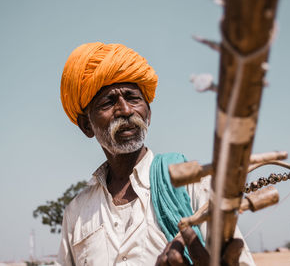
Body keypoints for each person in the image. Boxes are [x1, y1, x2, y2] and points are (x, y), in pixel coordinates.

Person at [57, 42, 255, 266]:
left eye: (133, 98)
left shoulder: (191, 185)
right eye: (109, 102)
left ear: (148, 113)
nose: (126, 110)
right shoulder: (78, 212)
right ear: (86, 126)